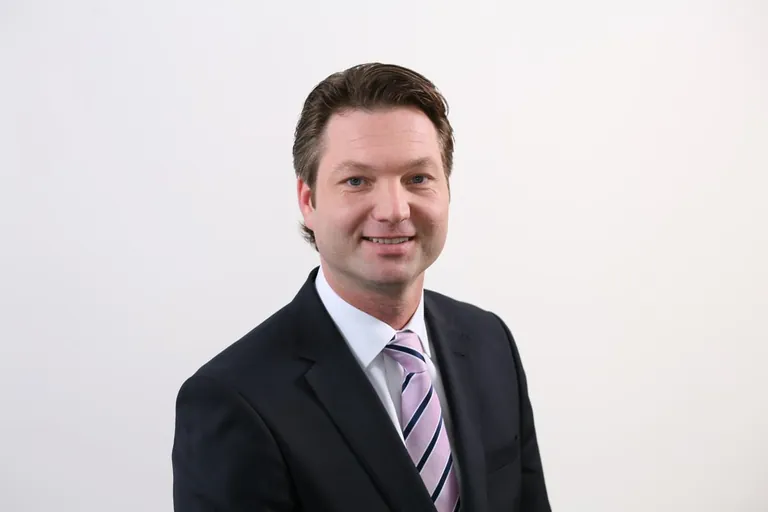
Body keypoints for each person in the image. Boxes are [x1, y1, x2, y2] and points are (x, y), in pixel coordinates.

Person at [172, 62, 551, 511]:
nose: (394, 210)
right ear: (308, 201)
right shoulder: (231, 399)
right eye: (356, 181)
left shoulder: (490, 342)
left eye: (418, 179)